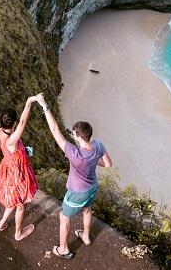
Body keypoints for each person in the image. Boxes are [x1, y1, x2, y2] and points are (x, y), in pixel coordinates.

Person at [33, 93, 112, 259]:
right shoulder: (98, 145)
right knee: (87, 209)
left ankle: (63, 249)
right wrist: (93, 161)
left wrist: (44, 105)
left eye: (74, 134)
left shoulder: (74, 153)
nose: (72, 135)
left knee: (64, 217)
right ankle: (86, 237)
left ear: (79, 136)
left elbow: (54, 130)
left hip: (78, 191)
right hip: (92, 187)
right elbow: (108, 164)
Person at [0, 98, 39, 241]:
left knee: (13, 201)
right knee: (20, 205)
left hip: (7, 169)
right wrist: (28, 103)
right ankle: (18, 233)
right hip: (16, 174)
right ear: (14, 123)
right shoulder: (12, 140)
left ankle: (2, 224)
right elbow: (23, 122)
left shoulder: (0, 132)